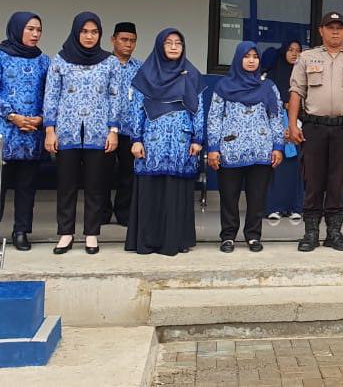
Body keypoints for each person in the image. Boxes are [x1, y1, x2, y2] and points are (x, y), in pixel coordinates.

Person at [288, 12, 343, 252]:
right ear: (321, 30)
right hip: (314, 127)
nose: (335, 31)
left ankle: (334, 232)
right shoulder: (306, 58)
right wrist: (293, 125)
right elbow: (296, 92)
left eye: (340, 27)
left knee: (338, 180)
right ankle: (310, 233)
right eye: (330, 27)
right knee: (313, 179)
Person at [44, 12, 120, 255]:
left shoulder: (109, 62)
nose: (89, 36)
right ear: (77, 32)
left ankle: (91, 234)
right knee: (66, 185)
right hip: (66, 132)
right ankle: (66, 233)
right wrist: (49, 130)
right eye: (85, 31)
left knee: (95, 185)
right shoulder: (60, 60)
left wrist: (113, 130)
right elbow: (51, 96)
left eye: (94, 32)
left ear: (100, 34)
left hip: (99, 133)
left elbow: (115, 97)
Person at [125, 29, 205, 256]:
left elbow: (198, 109)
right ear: (159, 46)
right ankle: (148, 241)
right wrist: (136, 139)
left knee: (175, 190)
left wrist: (198, 139)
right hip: (152, 141)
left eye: (178, 43)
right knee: (151, 189)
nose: (173, 47)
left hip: (181, 141)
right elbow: (135, 109)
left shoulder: (191, 74)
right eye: (168, 43)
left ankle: (175, 241)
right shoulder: (146, 74)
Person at [207, 42, 284, 253]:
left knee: (257, 197)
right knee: (229, 197)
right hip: (230, 151)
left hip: (261, 151)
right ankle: (228, 236)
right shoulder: (223, 86)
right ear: (238, 59)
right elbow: (214, 118)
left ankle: (253, 236)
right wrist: (213, 147)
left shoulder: (268, 87)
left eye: (255, 56)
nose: (251, 60)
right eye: (247, 56)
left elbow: (276, 118)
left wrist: (278, 146)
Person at [0, 12, 50, 251]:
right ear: (17, 28)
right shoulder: (0, 56)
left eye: (38, 30)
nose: (35, 34)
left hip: (31, 134)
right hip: (4, 133)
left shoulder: (44, 61)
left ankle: (21, 231)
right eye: (30, 29)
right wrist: (13, 116)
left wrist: (41, 118)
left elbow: (49, 95)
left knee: (26, 186)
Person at [102, 22, 140, 227]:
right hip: (105, 131)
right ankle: (102, 213)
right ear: (113, 39)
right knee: (102, 174)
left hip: (131, 130)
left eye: (132, 40)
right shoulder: (103, 65)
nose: (128, 44)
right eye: (124, 39)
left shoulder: (140, 68)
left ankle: (124, 213)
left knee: (128, 173)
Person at [264, 40, 304, 221]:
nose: (294, 54)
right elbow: (267, 105)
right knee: (276, 168)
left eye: (298, 51)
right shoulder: (271, 77)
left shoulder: (304, 76)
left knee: (296, 168)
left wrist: (295, 125)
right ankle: (275, 207)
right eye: (290, 50)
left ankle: (295, 207)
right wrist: (282, 126)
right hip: (275, 128)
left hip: (298, 129)